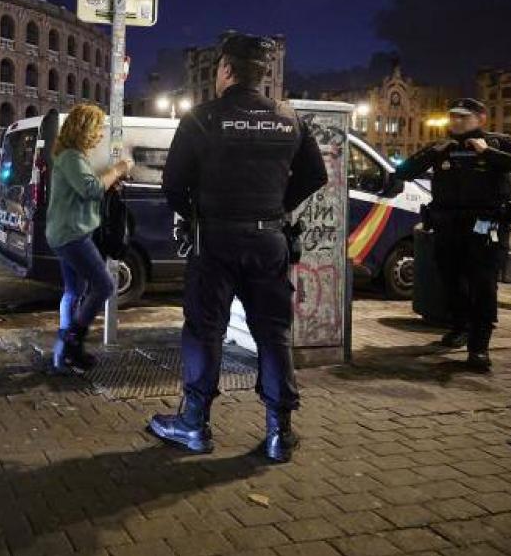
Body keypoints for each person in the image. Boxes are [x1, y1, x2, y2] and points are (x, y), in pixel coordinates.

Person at [150, 31, 327, 463]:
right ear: (262, 74)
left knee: (205, 330)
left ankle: (194, 424)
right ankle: (279, 433)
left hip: (215, 240)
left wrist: (196, 213)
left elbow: (172, 184)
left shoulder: (202, 118)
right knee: (273, 334)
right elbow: (315, 175)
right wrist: (278, 208)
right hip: (268, 240)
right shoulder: (288, 118)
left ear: (226, 70)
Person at [393, 97, 511, 372]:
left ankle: (479, 346)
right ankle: (460, 327)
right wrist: (432, 153)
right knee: (450, 282)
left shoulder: (499, 143)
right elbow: (402, 172)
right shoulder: (442, 148)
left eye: (464, 117)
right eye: (454, 116)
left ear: (481, 119)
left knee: (483, 287)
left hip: (486, 230)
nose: (457, 121)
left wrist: (489, 154)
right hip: (448, 228)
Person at [47, 104, 134, 373]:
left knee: (75, 291)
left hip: (67, 233)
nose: (99, 134)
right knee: (105, 286)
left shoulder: (71, 156)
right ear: (83, 129)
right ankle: (73, 341)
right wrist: (118, 169)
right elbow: (90, 189)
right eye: (96, 128)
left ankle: (64, 354)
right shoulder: (72, 157)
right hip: (72, 235)